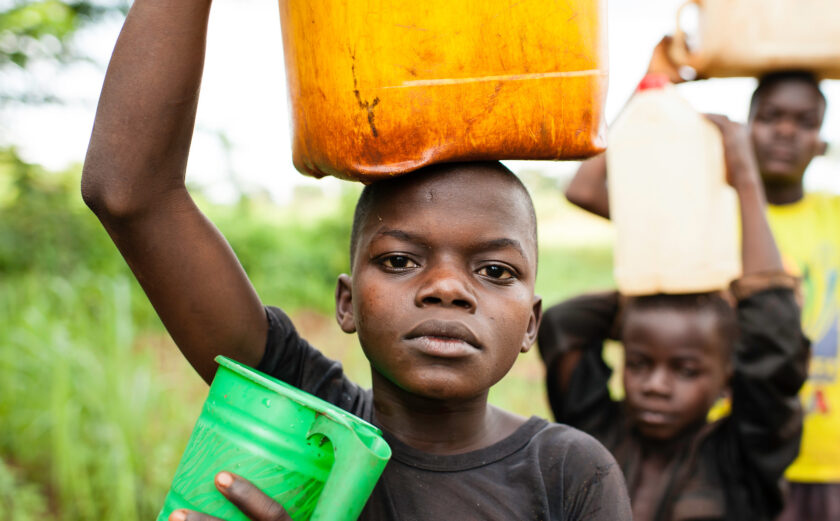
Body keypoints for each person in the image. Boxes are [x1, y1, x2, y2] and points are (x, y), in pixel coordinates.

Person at [79, 1, 632, 520]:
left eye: (494, 271)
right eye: (398, 261)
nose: (446, 288)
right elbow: (130, 195)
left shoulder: (569, 473)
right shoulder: (306, 419)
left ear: (531, 322)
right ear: (347, 303)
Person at [564, 38, 840, 521]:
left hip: (820, 448)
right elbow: (585, 188)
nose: (784, 133)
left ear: (822, 139)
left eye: (803, 123)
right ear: (746, 125)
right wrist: (654, 90)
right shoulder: (700, 220)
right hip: (723, 436)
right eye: (771, 117)